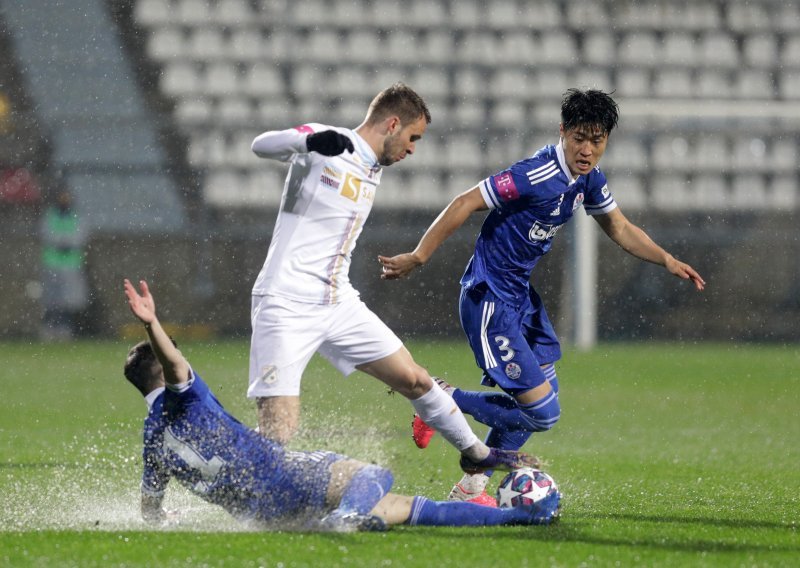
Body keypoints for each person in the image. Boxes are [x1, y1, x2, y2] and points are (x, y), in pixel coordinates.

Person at [378, 88, 706, 506]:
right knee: (544, 413)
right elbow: (465, 201)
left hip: (521, 300)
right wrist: (420, 255)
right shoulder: (535, 174)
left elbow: (619, 227)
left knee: (539, 396)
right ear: (563, 132)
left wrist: (666, 259)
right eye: (579, 139)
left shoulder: (588, 178)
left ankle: (471, 485)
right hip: (490, 300)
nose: (587, 150)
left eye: (597, 140)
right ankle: (438, 396)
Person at [247, 82, 536, 474]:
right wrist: (312, 142)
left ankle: (478, 454)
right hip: (285, 302)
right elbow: (261, 145)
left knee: (415, 379)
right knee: (278, 431)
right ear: (393, 124)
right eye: (413, 137)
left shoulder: (370, 166)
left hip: (337, 301)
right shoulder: (328, 143)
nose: (413, 149)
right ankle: (223, 479)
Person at [122, 278, 561, 531]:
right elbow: (177, 366)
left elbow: (150, 510)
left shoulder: (152, 442)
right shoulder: (184, 398)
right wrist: (152, 323)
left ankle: (514, 520)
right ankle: (348, 515)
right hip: (278, 474)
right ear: (161, 368)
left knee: (401, 507)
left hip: (263, 515)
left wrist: (166, 518)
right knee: (373, 475)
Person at [40, 186, 89, 340]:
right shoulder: (51, 215)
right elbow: (46, 233)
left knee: (69, 299)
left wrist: (64, 241)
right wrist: (63, 241)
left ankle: (65, 328)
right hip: (52, 262)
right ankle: (50, 327)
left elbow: (81, 236)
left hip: (71, 263)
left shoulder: (76, 216)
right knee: (52, 298)